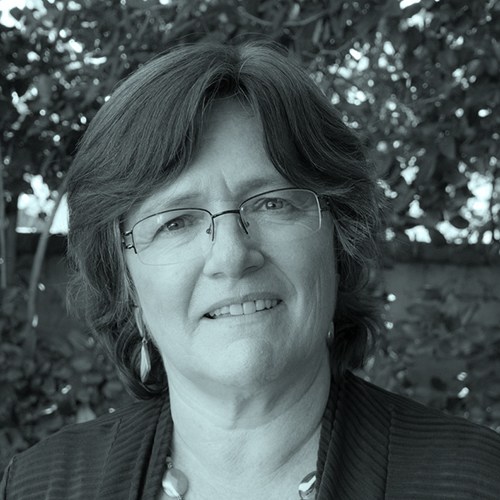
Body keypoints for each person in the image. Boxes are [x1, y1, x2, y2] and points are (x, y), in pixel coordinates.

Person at [1, 40, 500, 500]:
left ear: (338, 239)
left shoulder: (476, 482)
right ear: (124, 281)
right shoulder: (40, 486)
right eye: (175, 222)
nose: (232, 256)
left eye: (272, 203)